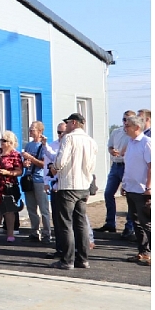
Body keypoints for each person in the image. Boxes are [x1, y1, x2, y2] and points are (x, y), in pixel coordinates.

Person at [48, 113, 98, 270]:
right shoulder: (91, 141)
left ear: (74, 123)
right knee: (81, 223)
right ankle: (83, 259)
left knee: (65, 224)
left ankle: (67, 260)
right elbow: (92, 165)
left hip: (68, 184)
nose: (67, 125)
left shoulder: (69, 138)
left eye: (68, 122)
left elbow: (61, 161)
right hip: (83, 185)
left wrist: (53, 168)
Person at [98, 110, 137, 233]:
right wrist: (111, 151)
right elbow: (110, 146)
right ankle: (110, 223)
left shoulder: (133, 135)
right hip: (115, 165)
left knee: (130, 196)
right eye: (124, 119)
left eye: (129, 120)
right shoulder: (116, 132)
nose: (126, 122)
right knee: (108, 193)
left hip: (127, 166)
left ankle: (129, 226)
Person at [120, 115, 152, 266]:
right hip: (131, 188)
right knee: (137, 222)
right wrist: (124, 184)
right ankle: (143, 252)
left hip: (142, 189)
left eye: (128, 126)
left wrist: (149, 187)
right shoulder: (131, 143)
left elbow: (152, 166)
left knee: (147, 222)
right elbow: (129, 165)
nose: (125, 129)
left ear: (137, 127)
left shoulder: (146, 143)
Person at [0, 130, 25, 243]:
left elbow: (19, 171)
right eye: (1, 140)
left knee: (9, 210)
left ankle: (10, 234)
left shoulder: (15, 155)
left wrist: (7, 173)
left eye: (4, 141)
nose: (2, 142)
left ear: (10, 142)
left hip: (8, 185)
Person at [20, 122, 52, 243]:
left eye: (32, 130)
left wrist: (31, 159)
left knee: (43, 208)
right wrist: (25, 163)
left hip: (40, 179)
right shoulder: (28, 145)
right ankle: (34, 231)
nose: (30, 132)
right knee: (31, 208)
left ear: (40, 131)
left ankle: (47, 233)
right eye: (30, 129)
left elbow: (44, 164)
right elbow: (25, 161)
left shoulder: (43, 146)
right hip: (28, 178)